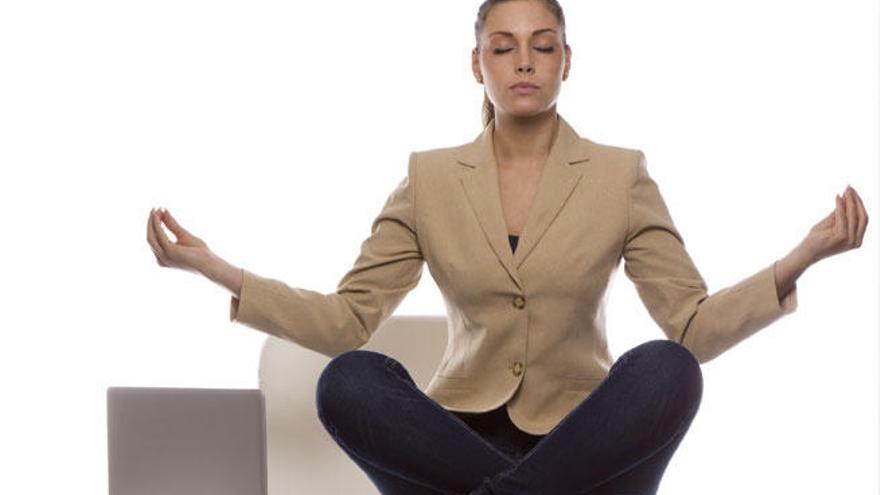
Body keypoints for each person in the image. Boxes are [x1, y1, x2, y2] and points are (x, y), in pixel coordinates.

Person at [145, 0, 869, 493]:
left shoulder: (620, 175)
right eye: (503, 46)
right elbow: (345, 320)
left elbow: (692, 326)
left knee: (667, 367)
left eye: (542, 46)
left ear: (566, 62)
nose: (523, 61)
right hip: (453, 440)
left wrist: (800, 256)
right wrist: (217, 269)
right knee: (349, 378)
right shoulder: (429, 179)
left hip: (590, 445)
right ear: (477, 65)